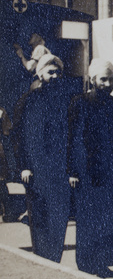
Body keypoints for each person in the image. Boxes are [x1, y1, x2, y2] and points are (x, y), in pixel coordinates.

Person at [67, 59, 113, 277]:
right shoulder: (79, 103)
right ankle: (85, 262)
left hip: (110, 171)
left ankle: (103, 262)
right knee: (88, 217)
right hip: (85, 171)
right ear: (93, 80)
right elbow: (72, 139)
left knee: (109, 218)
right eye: (103, 79)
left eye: (110, 79)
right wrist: (72, 170)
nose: (108, 83)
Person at [19, 54, 73, 262]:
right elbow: (21, 136)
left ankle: (55, 259)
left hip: (60, 170)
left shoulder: (68, 100)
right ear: (40, 74)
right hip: (36, 170)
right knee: (39, 218)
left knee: (58, 218)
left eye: (58, 72)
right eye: (50, 72)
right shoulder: (29, 101)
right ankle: (41, 259)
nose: (55, 76)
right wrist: (24, 166)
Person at [0, 106, 12, 219]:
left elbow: (6, 131)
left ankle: (6, 210)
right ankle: (6, 210)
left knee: (1, 181)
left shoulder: (1, 112)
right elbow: (6, 132)